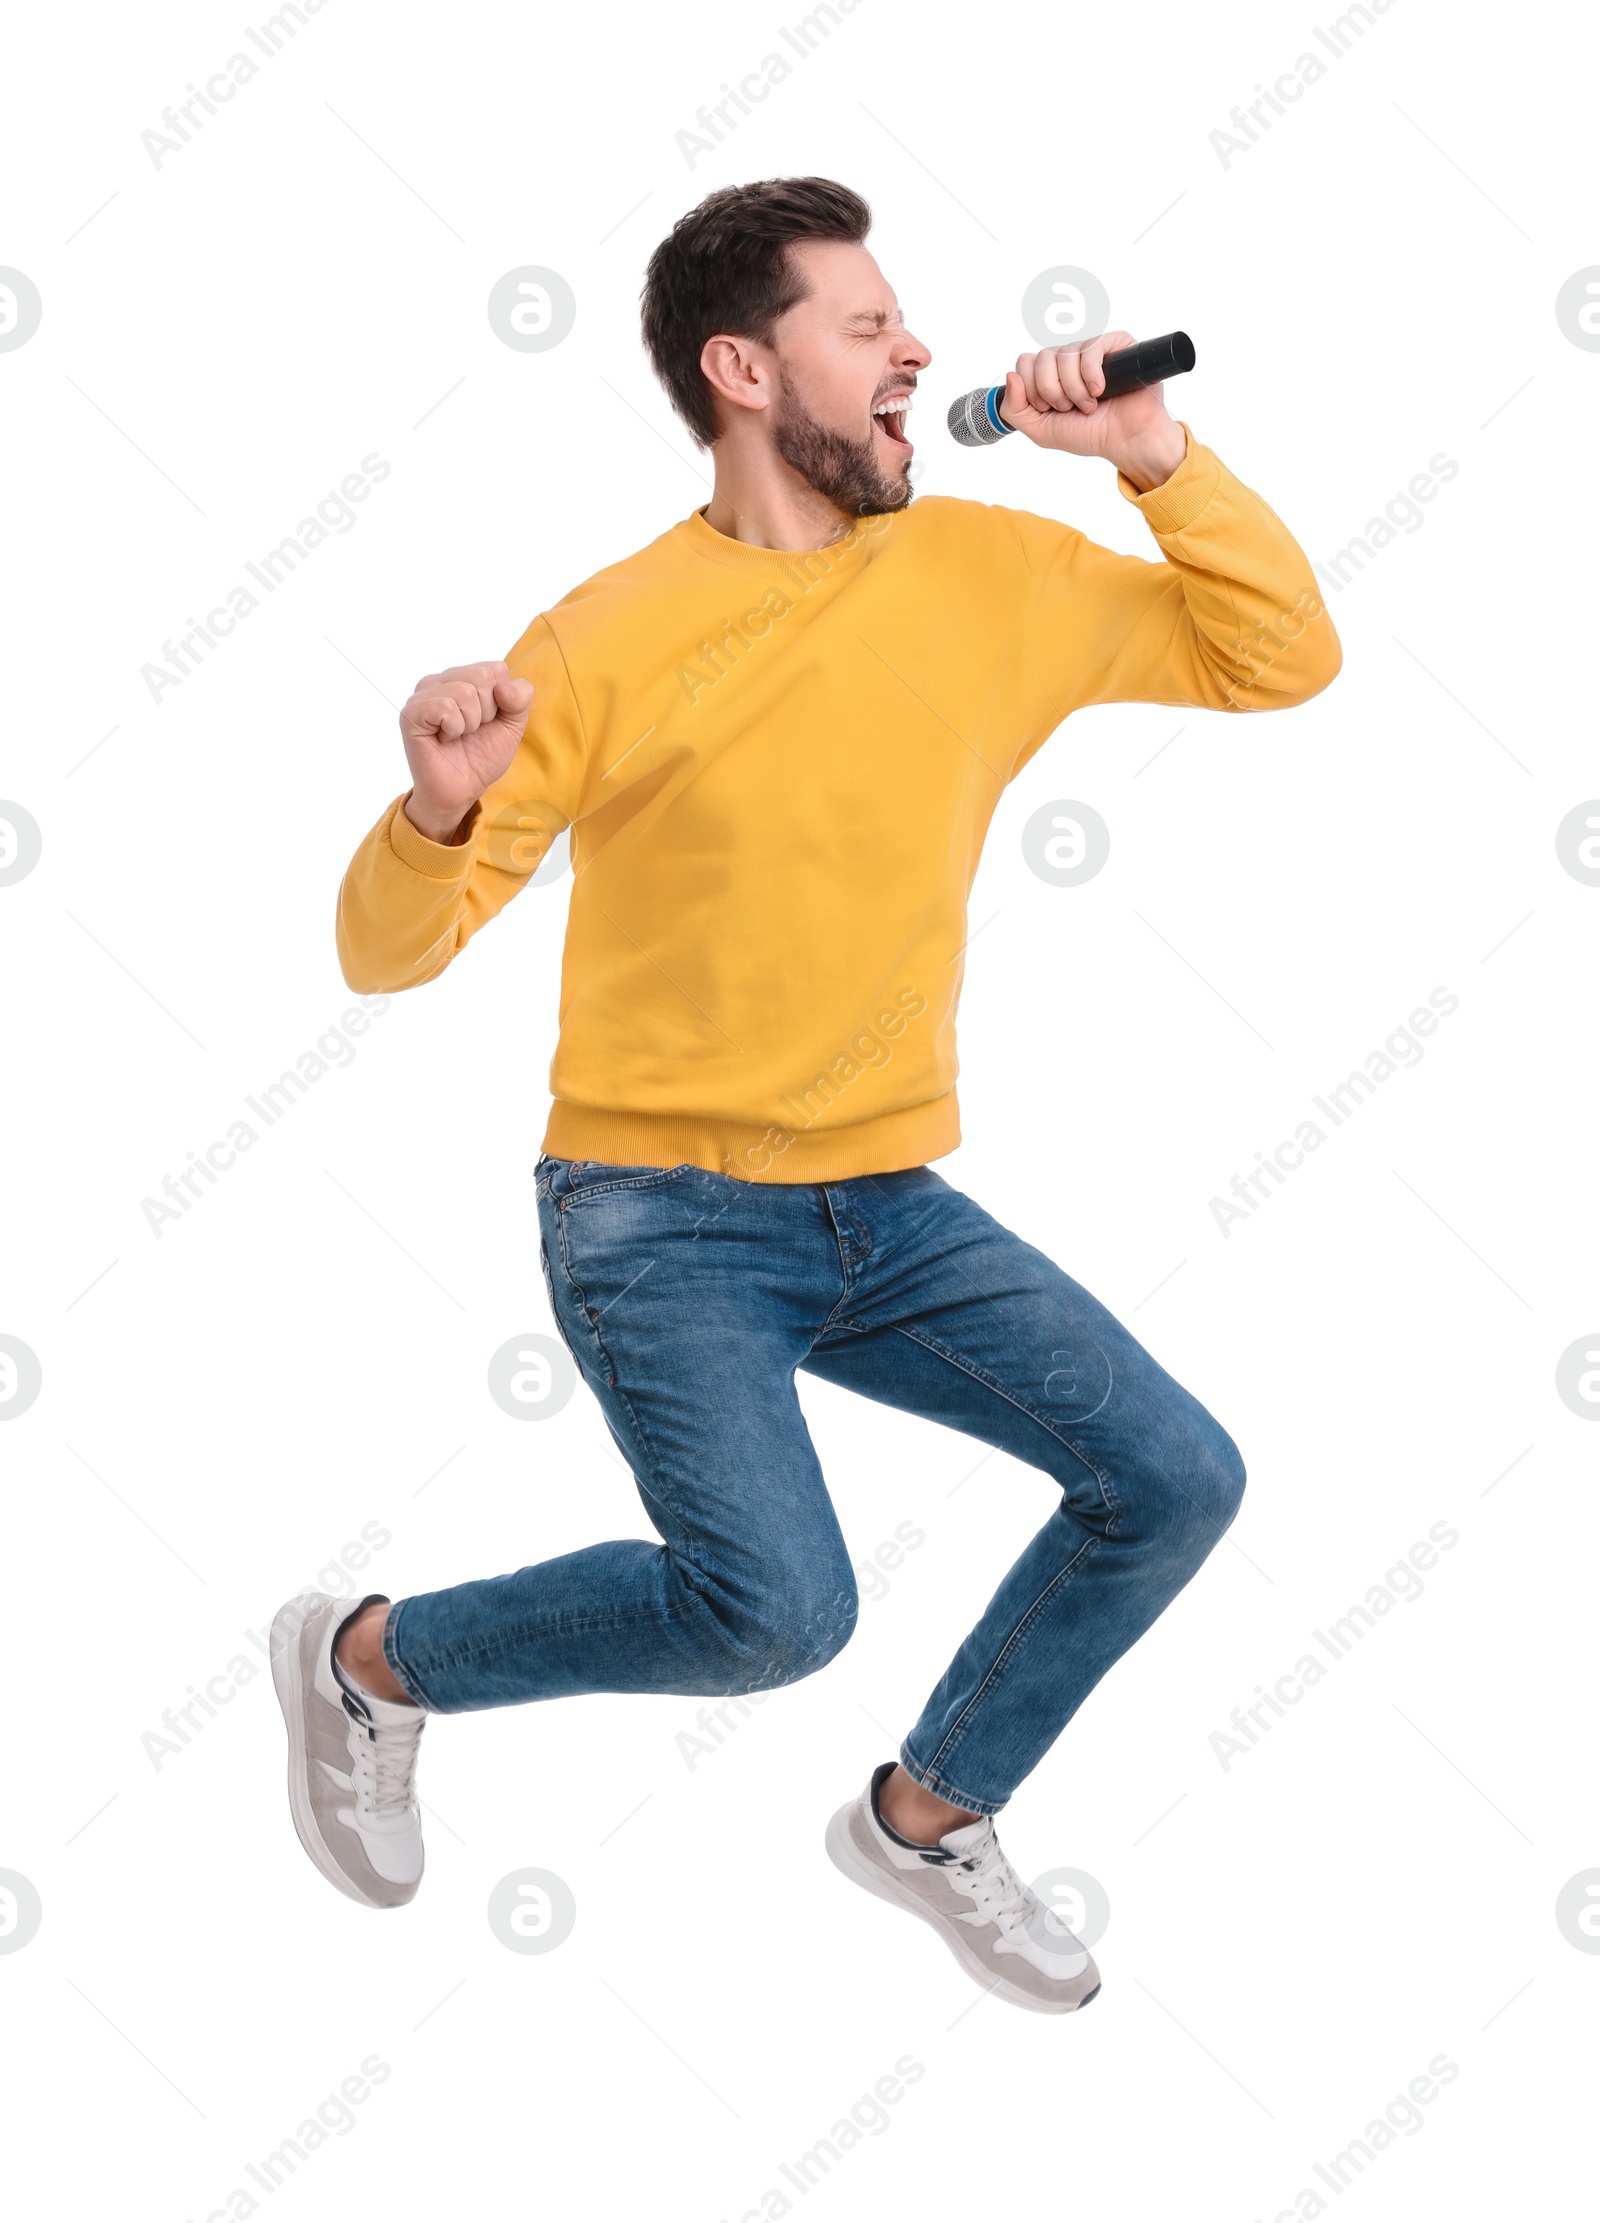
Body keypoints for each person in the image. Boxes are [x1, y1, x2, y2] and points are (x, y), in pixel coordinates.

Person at [273, 176, 1339, 2013]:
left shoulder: (993, 573)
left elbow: (1278, 658)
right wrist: (438, 809)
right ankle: (373, 1660)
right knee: (774, 1615)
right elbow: (384, 955)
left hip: (892, 1206)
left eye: (906, 323)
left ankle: (931, 1816)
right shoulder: (606, 636)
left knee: (1172, 1477)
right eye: (868, 326)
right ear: (745, 368)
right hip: (656, 1214)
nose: (919, 347)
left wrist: (1158, 458)